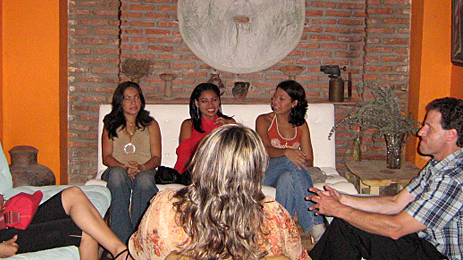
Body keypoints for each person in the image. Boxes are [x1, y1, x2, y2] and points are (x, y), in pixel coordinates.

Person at [0, 103, 132, 260]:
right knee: (84, 231)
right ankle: (122, 254)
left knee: (73, 194)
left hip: (6, 217)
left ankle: (119, 251)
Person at [307, 97, 463, 260]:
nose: (420, 132)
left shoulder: (452, 179)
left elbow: (396, 228)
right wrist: (341, 199)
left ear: (451, 135)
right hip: (423, 243)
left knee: (348, 222)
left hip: (439, 256)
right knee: (348, 223)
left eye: (429, 127)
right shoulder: (437, 165)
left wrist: (338, 209)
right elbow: (395, 203)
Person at [129, 124, 311, 260]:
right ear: (256, 170)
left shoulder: (167, 207)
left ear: (203, 160)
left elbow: (140, 253)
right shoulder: (272, 214)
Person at [255, 80, 326, 242]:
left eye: (281, 99)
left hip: (288, 172)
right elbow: (265, 149)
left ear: (294, 103)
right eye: (275, 97)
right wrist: (287, 152)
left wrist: (293, 157)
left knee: (288, 177)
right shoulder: (264, 120)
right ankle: (316, 225)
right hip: (266, 172)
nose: (275, 102)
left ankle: (283, 231)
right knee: (289, 161)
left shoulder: (300, 125)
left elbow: (308, 160)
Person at [100, 81, 161, 244]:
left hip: (144, 169)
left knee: (145, 180)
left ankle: (139, 238)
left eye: (136, 98)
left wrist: (141, 167)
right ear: (120, 102)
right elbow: (106, 157)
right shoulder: (110, 124)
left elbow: (156, 158)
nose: (133, 103)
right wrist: (124, 167)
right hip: (117, 169)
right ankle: (121, 240)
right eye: (128, 98)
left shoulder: (151, 124)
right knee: (118, 176)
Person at [174, 82, 235, 174]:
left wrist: (224, 131)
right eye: (204, 101)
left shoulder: (229, 123)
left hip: (222, 172)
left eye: (214, 100)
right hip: (195, 171)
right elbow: (184, 158)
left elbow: (234, 155)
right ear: (196, 103)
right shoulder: (188, 125)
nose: (210, 105)